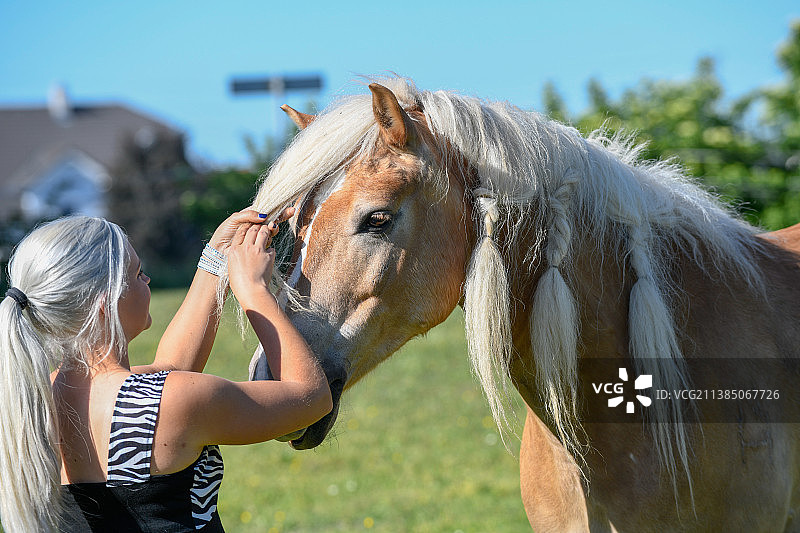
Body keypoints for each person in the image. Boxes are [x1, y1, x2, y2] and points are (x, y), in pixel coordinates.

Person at [0, 209, 332, 532]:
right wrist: (252, 289)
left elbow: (168, 371)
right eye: (136, 273)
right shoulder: (171, 402)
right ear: (105, 304)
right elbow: (312, 398)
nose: (147, 279)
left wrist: (216, 257)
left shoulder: (38, 400)